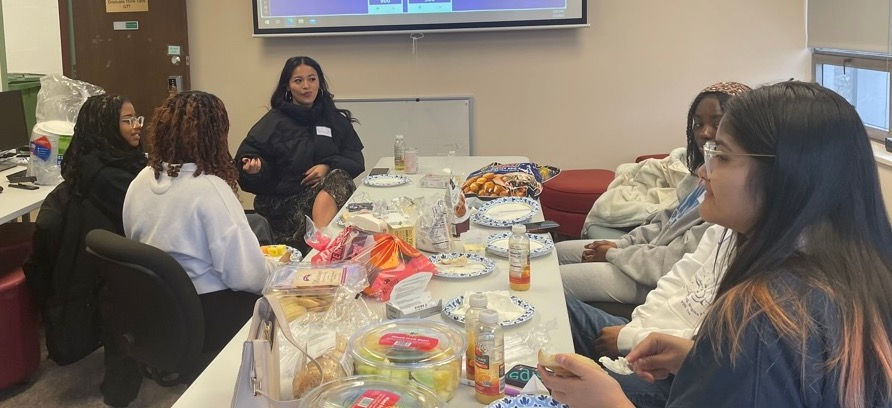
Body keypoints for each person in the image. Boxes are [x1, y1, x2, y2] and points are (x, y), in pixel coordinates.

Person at [540, 82, 892, 407]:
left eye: (721, 156)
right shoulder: (853, 272)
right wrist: (697, 358)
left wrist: (609, 403)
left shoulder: (764, 314)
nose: (704, 172)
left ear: (784, 175)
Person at [557, 82, 750, 304]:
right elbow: (664, 223)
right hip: (643, 260)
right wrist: (621, 245)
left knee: (555, 283)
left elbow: (679, 260)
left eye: (717, 123)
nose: (705, 133)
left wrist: (614, 254)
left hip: (663, 282)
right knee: (556, 252)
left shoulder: (733, 197)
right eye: (698, 124)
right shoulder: (699, 177)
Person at [123, 91, 277, 354]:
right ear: (214, 137)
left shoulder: (141, 180)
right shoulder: (209, 189)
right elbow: (248, 276)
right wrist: (278, 269)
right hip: (211, 315)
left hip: (158, 313)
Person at [22, 94, 147, 405]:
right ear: (105, 128)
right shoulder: (109, 177)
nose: (136, 127)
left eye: (137, 119)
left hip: (103, 270)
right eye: (127, 121)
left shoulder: (104, 159)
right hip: (110, 276)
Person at [564, 224, 733, 407]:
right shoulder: (723, 231)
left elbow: (715, 358)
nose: (705, 193)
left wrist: (630, 340)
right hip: (648, 336)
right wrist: (633, 331)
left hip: (680, 382)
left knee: (574, 384)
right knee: (564, 309)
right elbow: (672, 281)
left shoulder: (761, 280)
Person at [236, 56, 365, 251]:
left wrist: (327, 165)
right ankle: (323, 247)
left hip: (320, 199)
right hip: (283, 205)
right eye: (298, 81)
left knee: (338, 176)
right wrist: (255, 170)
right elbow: (245, 162)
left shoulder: (333, 118)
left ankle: (320, 241)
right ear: (287, 86)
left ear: (319, 83)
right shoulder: (273, 122)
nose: (306, 86)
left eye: (312, 79)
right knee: (338, 180)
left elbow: (356, 159)